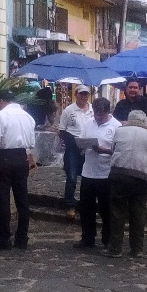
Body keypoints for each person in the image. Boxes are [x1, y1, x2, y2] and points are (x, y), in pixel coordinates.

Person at [102, 110, 147, 259]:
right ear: (145, 121)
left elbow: (113, 149)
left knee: (117, 213)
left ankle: (115, 249)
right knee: (138, 214)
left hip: (119, 175)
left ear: (129, 119)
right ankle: (137, 249)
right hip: (141, 178)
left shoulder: (119, 131)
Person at [0, 90, 35, 251]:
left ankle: (3, 238)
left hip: (3, 157)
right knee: (22, 198)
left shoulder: (1, 115)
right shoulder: (28, 116)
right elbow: (32, 142)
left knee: (2, 199)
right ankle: (22, 237)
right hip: (21, 157)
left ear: (2, 101)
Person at [74, 97, 120, 249]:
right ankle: (88, 237)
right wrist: (82, 145)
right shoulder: (89, 123)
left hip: (106, 173)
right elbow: (82, 140)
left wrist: (104, 150)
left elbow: (119, 151)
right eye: (96, 114)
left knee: (106, 208)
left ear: (108, 112)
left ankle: (108, 238)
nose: (98, 117)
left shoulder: (116, 126)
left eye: (101, 114)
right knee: (86, 207)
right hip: (88, 171)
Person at [58, 85, 94, 219]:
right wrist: (69, 143)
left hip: (88, 146)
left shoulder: (93, 110)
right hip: (73, 146)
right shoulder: (69, 110)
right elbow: (62, 130)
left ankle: (86, 203)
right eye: (81, 94)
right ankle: (70, 204)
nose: (83, 96)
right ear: (76, 94)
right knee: (71, 177)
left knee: (88, 177)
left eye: (86, 94)